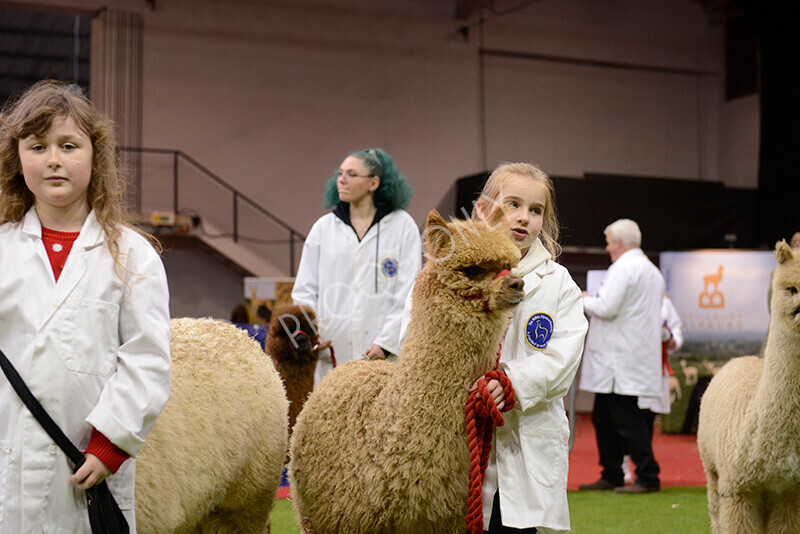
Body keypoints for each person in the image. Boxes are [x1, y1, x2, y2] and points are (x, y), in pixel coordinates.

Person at [0, 80, 171, 532]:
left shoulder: (133, 258)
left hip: (85, 469)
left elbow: (147, 360)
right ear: (18, 159)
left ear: (95, 157)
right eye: (37, 146)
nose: (53, 159)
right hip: (7, 462)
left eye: (68, 145)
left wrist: (110, 444)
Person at [467, 162, 588, 533]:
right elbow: (422, 342)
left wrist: (511, 383)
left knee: (515, 525)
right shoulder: (453, 272)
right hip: (464, 441)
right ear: (484, 209)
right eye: (513, 205)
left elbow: (563, 358)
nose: (523, 218)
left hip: (526, 441)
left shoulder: (558, 283)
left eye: (535, 211)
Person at [292, 148, 421, 384]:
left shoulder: (403, 226)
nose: (341, 179)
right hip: (330, 355)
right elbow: (304, 291)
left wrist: (385, 343)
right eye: (340, 173)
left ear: (373, 183)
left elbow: (408, 293)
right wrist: (310, 333)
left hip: (383, 359)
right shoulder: (323, 228)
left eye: (351, 174)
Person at [578, 218, 665, 494]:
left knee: (625, 419)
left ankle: (648, 475)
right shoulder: (653, 271)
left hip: (618, 359)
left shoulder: (623, 268)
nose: (606, 248)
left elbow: (606, 307)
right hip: (629, 356)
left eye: (608, 242)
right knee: (605, 417)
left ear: (617, 243)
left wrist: (581, 298)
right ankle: (612, 472)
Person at [622, 294, 683, 483]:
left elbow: (675, 328)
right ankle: (624, 464)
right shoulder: (628, 299)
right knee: (627, 416)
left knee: (647, 417)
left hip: (656, 368)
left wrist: (673, 340)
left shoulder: (664, 301)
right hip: (631, 365)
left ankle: (642, 467)